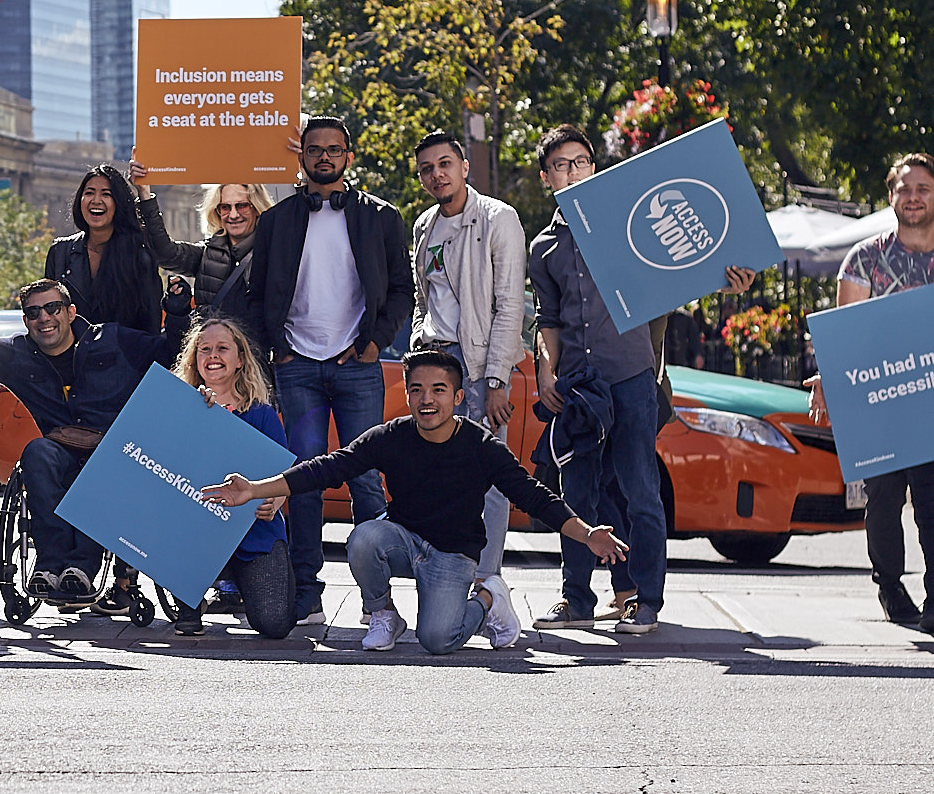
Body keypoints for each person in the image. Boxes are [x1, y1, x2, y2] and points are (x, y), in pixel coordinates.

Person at [205, 349, 627, 654]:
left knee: (437, 641)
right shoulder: (391, 436)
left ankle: (488, 599)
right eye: (418, 390)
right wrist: (255, 489)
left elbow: (534, 496)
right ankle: (383, 613)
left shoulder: (480, 446)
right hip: (403, 541)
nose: (428, 400)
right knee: (365, 539)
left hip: (453, 555)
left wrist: (586, 533)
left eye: (439, 390)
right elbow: (327, 468)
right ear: (407, 396)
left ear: (458, 398)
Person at [527, 124, 755, 636]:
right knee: (577, 496)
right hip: (578, 386)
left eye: (581, 161)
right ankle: (577, 598)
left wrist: (734, 277)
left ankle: (645, 602)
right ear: (546, 177)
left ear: (595, 167)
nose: (573, 171)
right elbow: (549, 319)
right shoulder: (544, 248)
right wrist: (545, 367)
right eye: (561, 165)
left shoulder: (628, 224)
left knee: (641, 492)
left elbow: (691, 261)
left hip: (632, 379)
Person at [807, 152, 934, 635]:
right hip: (878, 406)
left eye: (922, 188)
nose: (913, 196)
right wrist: (828, 380)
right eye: (904, 188)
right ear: (892, 196)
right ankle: (891, 587)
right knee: (884, 500)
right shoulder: (864, 259)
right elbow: (846, 333)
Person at [238, 115, 414, 626]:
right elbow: (259, 293)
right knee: (304, 479)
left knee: (364, 478)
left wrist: (373, 343)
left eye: (334, 149)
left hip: (358, 366)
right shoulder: (277, 221)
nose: (324, 157)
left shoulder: (380, 217)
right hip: (297, 365)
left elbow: (402, 289)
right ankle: (307, 594)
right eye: (314, 149)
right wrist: (279, 349)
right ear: (303, 157)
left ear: (348, 158)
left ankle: (377, 602)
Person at [0, 279, 185, 604]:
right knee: (36, 451)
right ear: (25, 320)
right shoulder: (15, 353)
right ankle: (49, 565)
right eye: (33, 312)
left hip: (110, 454)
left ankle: (82, 568)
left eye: (52, 308)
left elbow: (171, 351)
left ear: (71, 312)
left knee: (108, 459)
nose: (44, 318)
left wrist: (176, 313)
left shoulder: (115, 340)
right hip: (57, 453)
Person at [407, 130, 528, 607]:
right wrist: (419, 343)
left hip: (476, 363)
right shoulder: (424, 226)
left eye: (444, 164)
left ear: (463, 166)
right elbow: (424, 297)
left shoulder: (497, 219)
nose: (437, 174)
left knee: (490, 476)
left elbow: (509, 305)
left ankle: (488, 579)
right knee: (434, 473)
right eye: (427, 170)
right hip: (433, 356)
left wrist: (496, 378)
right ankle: (444, 575)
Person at [168, 317, 292, 639]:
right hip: (194, 533)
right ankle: (189, 602)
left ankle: (238, 577)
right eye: (204, 349)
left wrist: (274, 502)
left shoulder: (262, 413)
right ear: (194, 359)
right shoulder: (177, 407)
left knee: (275, 624)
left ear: (240, 360)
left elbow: (284, 475)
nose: (213, 355)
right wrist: (199, 415)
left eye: (222, 348)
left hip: (252, 531)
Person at [44, 164, 168, 336]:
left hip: (122, 358)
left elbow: (150, 326)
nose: (96, 200)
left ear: (119, 203)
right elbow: (48, 314)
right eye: (89, 193)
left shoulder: (139, 254)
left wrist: (145, 194)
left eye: (106, 194)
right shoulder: (60, 252)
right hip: (69, 360)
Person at [137, 173, 270, 314]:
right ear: (217, 211)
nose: (233, 215)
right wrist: (145, 195)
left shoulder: (274, 252)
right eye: (225, 207)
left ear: (256, 208)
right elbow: (165, 254)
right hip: (213, 335)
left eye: (242, 206)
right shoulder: (207, 255)